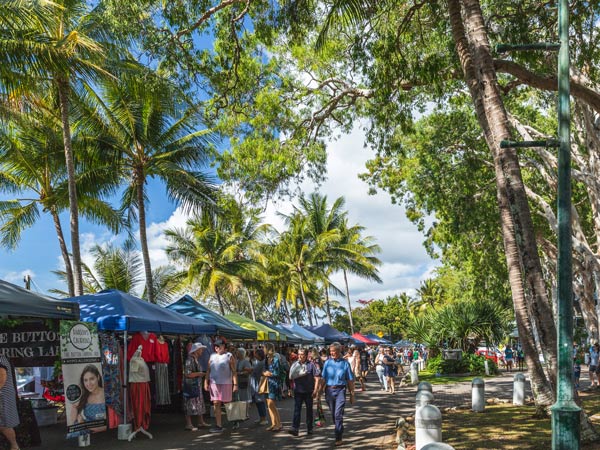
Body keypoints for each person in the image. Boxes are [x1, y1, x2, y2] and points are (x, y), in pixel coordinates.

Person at [320, 342, 355, 447]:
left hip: (340, 390)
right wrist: (319, 391)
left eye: (334, 351)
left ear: (339, 351)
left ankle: (338, 437)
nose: (332, 353)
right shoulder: (327, 363)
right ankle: (339, 428)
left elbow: (349, 380)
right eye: (330, 351)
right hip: (329, 391)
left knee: (338, 414)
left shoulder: (345, 363)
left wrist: (352, 394)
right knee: (334, 415)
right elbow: (323, 378)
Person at [204, 338, 237, 433]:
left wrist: (235, 384)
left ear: (223, 346)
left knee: (227, 404)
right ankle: (219, 425)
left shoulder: (229, 356)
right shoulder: (212, 356)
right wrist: (206, 382)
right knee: (216, 403)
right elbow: (208, 370)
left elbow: (234, 371)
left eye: (218, 345)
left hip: (226, 383)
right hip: (214, 383)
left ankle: (234, 420)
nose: (216, 347)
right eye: (215, 346)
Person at [288, 348, 321, 437]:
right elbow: (291, 377)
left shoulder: (311, 365)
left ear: (306, 355)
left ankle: (310, 428)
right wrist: (290, 389)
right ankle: (295, 428)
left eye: (302, 354)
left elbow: (317, 378)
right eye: (299, 354)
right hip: (298, 391)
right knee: (297, 410)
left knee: (309, 411)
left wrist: (315, 390)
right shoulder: (295, 364)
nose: (300, 356)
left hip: (308, 392)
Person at [68, 365, 106, 435]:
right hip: (85, 430)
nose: (88, 384)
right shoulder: (84, 395)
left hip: (103, 433)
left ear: (98, 377)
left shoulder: (107, 394)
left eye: (92, 379)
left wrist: (84, 424)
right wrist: (74, 406)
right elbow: (73, 422)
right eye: (85, 380)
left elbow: (107, 425)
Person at [183, 342, 209, 431]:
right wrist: (199, 373)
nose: (202, 351)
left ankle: (200, 421)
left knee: (198, 402)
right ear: (197, 350)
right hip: (191, 385)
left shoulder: (195, 359)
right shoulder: (190, 359)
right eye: (201, 349)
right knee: (189, 403)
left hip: (196, 385)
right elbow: (187, 374)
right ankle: (189, 424)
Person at [0, 356, 20, 450]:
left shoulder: (1, 359)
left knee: (4, 424)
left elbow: (1, 379)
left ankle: (14, 446)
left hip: (3, 395)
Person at [262, 343, 283, 432]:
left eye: (264, 348)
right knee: (269, 405)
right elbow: (263, 370)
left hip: (273, 384)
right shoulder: (266, 359)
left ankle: (279, 424)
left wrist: (269, 374)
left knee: (271, 404)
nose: (263, 349)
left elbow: (277, 373)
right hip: (267, 383)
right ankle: (274, 423)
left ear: (268, 349)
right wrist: (264, 373)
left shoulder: (275, 359)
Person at [232, 348, 253, 429]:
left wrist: (239, 373)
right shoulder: (237, 361)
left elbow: (249, 371)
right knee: (240, 397)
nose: (236, 354)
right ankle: (242, 414)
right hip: (238, 381)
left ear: (241, 354)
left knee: (245, 397)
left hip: (244, 381)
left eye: (237, 352)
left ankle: (246, 413)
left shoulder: (246, 361)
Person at [249, 349, 268, 426]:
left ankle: (263, 418)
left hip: (258, 383)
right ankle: (261, 418)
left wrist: (249, 370)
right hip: (257, 383)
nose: (254, 355)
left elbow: (255, 371)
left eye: (256, 354)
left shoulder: (261, 363)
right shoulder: (261, 362)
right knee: (259, 401)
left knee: (260, 401)